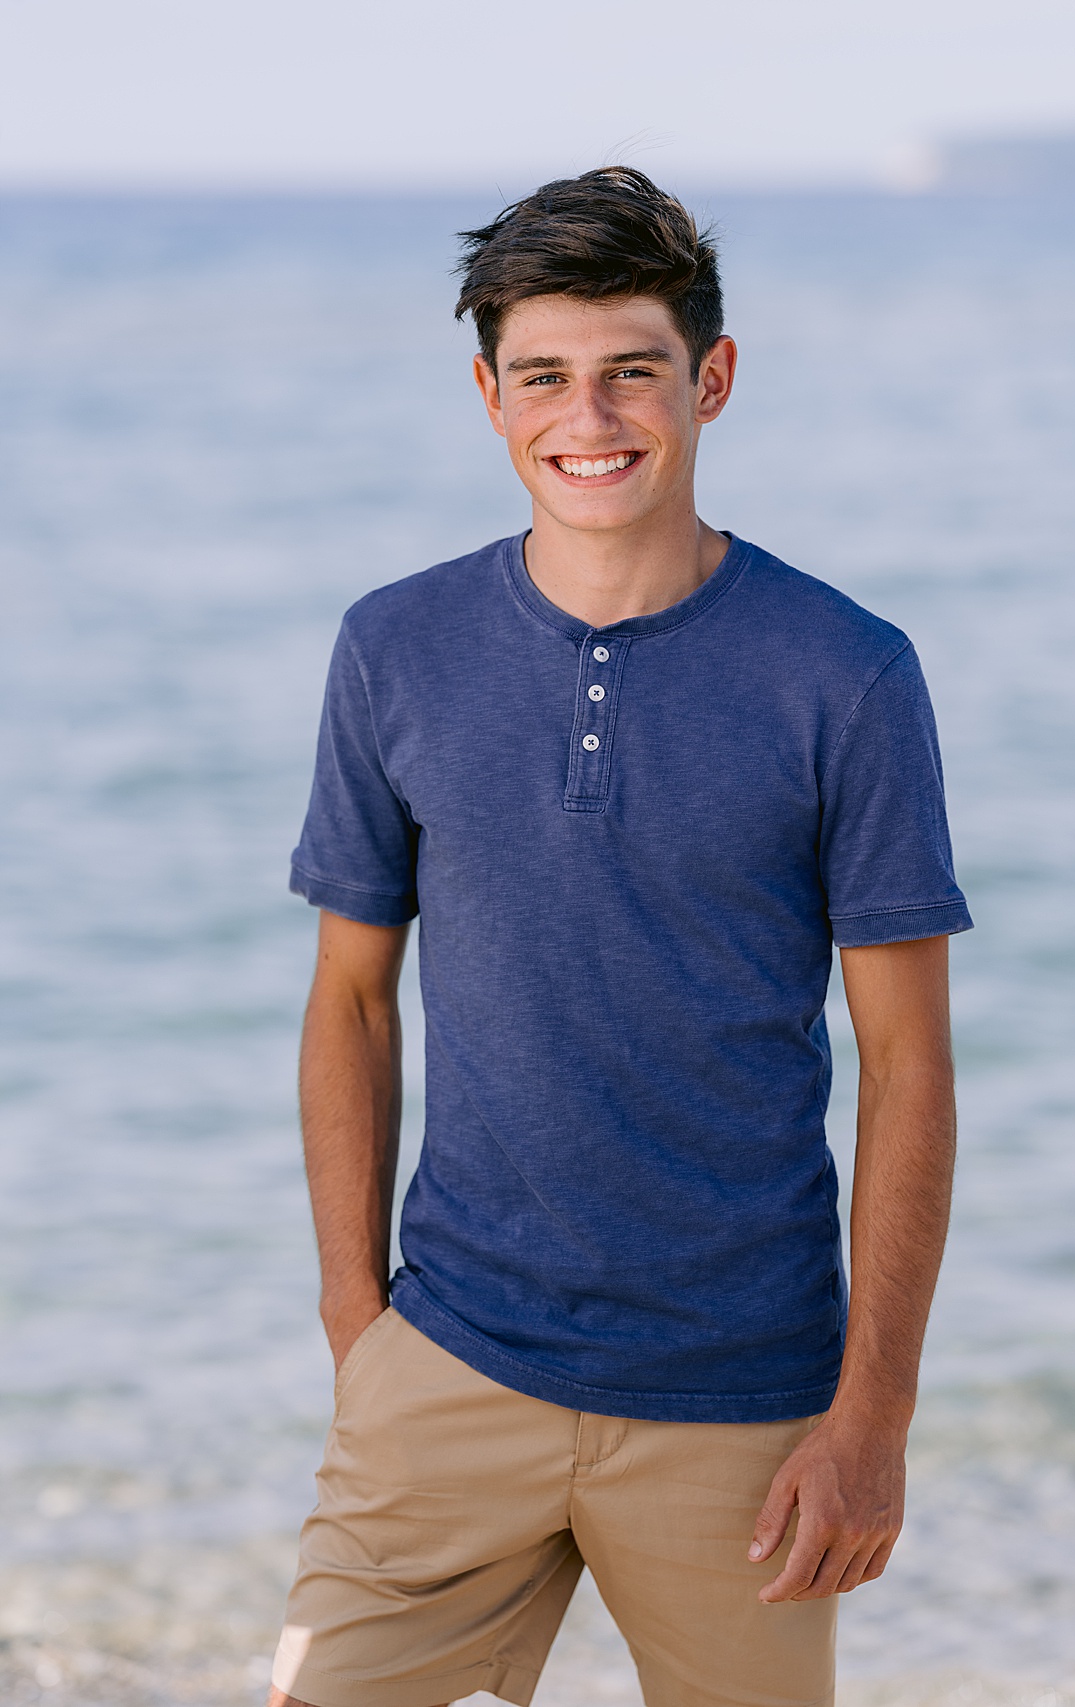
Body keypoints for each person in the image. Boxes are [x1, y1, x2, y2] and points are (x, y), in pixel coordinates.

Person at [268, 166, 971, 1707]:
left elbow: (909, 1063)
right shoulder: (393, 647)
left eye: (632, 370)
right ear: (489, 396)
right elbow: (353, 1002)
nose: (588, 417)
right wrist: (356, 1327)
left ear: (711, 380)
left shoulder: (846, 673)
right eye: (544, 376)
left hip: (746, 1406)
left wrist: (874, 1418)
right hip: (448, 1366)